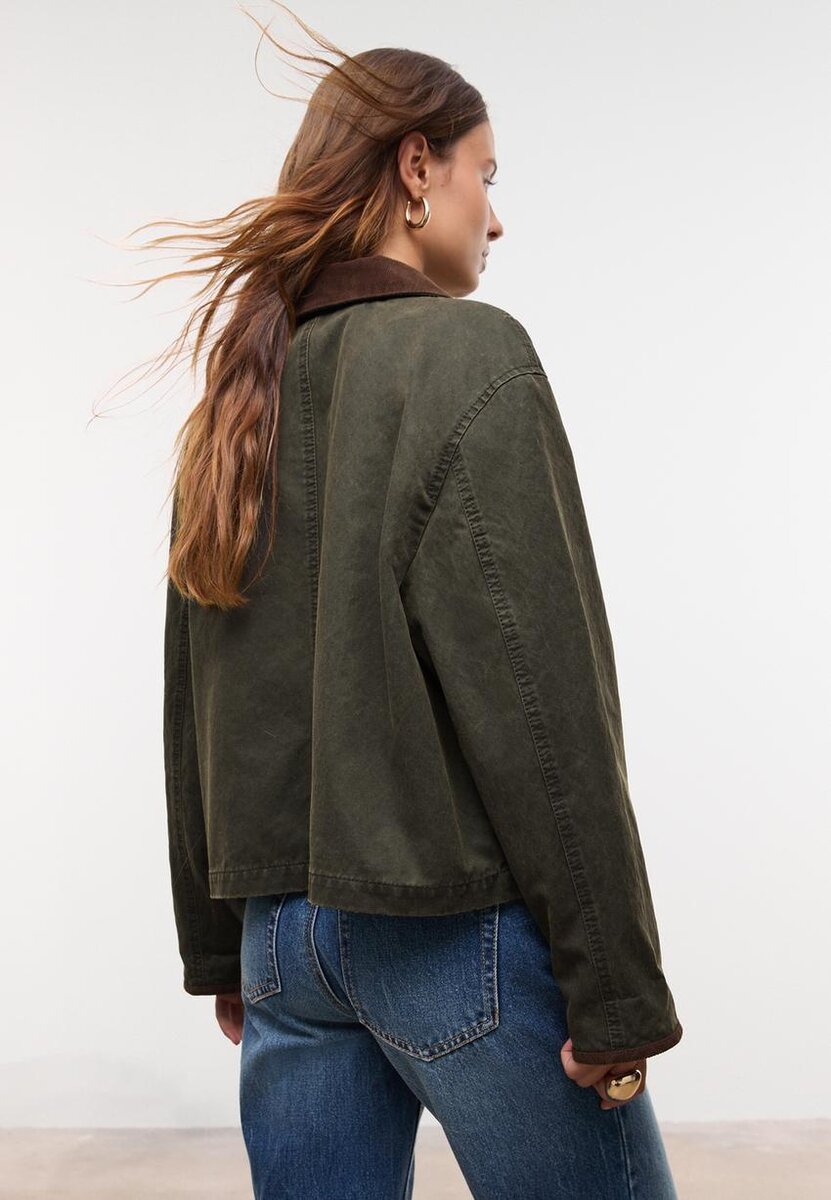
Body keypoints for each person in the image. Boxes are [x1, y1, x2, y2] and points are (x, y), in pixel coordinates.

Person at [157, 15, 683, 1199]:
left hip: (284, 949)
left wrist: (221, 943)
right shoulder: (466, 357)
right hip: (453, 939)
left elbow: (196, 695)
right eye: (485, 174)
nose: (495, 218)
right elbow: (544, 699)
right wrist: (616, 991)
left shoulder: (236, 398)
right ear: (414, 168)